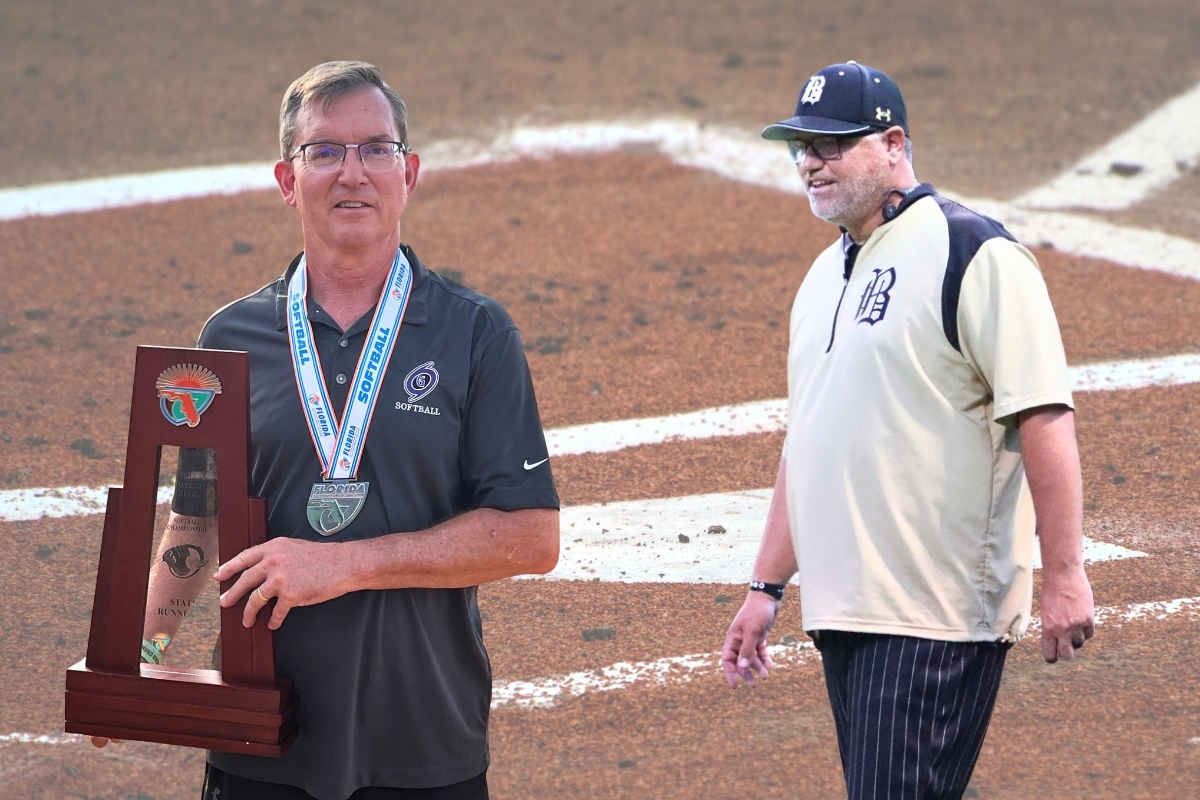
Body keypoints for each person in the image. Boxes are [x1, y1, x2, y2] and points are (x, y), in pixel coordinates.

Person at [91, 61, 560, 800]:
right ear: (287, 180)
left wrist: (342, 565)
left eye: (375, 148)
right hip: (258, 741)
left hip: (424, 742)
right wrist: (134, 655)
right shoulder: (230, 337)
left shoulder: (475, 334)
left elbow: (532, 538)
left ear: (408, 172)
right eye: (326, 151)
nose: (354, 172)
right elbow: (198, 521)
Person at [721, 62, 1095, 799]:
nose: (809, 161)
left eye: (831, 145)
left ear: (893, 143)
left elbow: (1044, 413)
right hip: (845, 609)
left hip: (935, 613)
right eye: (801, 145)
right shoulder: (820, 279)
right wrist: (766, 587)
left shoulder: (972, 252)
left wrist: (1065, 572)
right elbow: (810, 442)